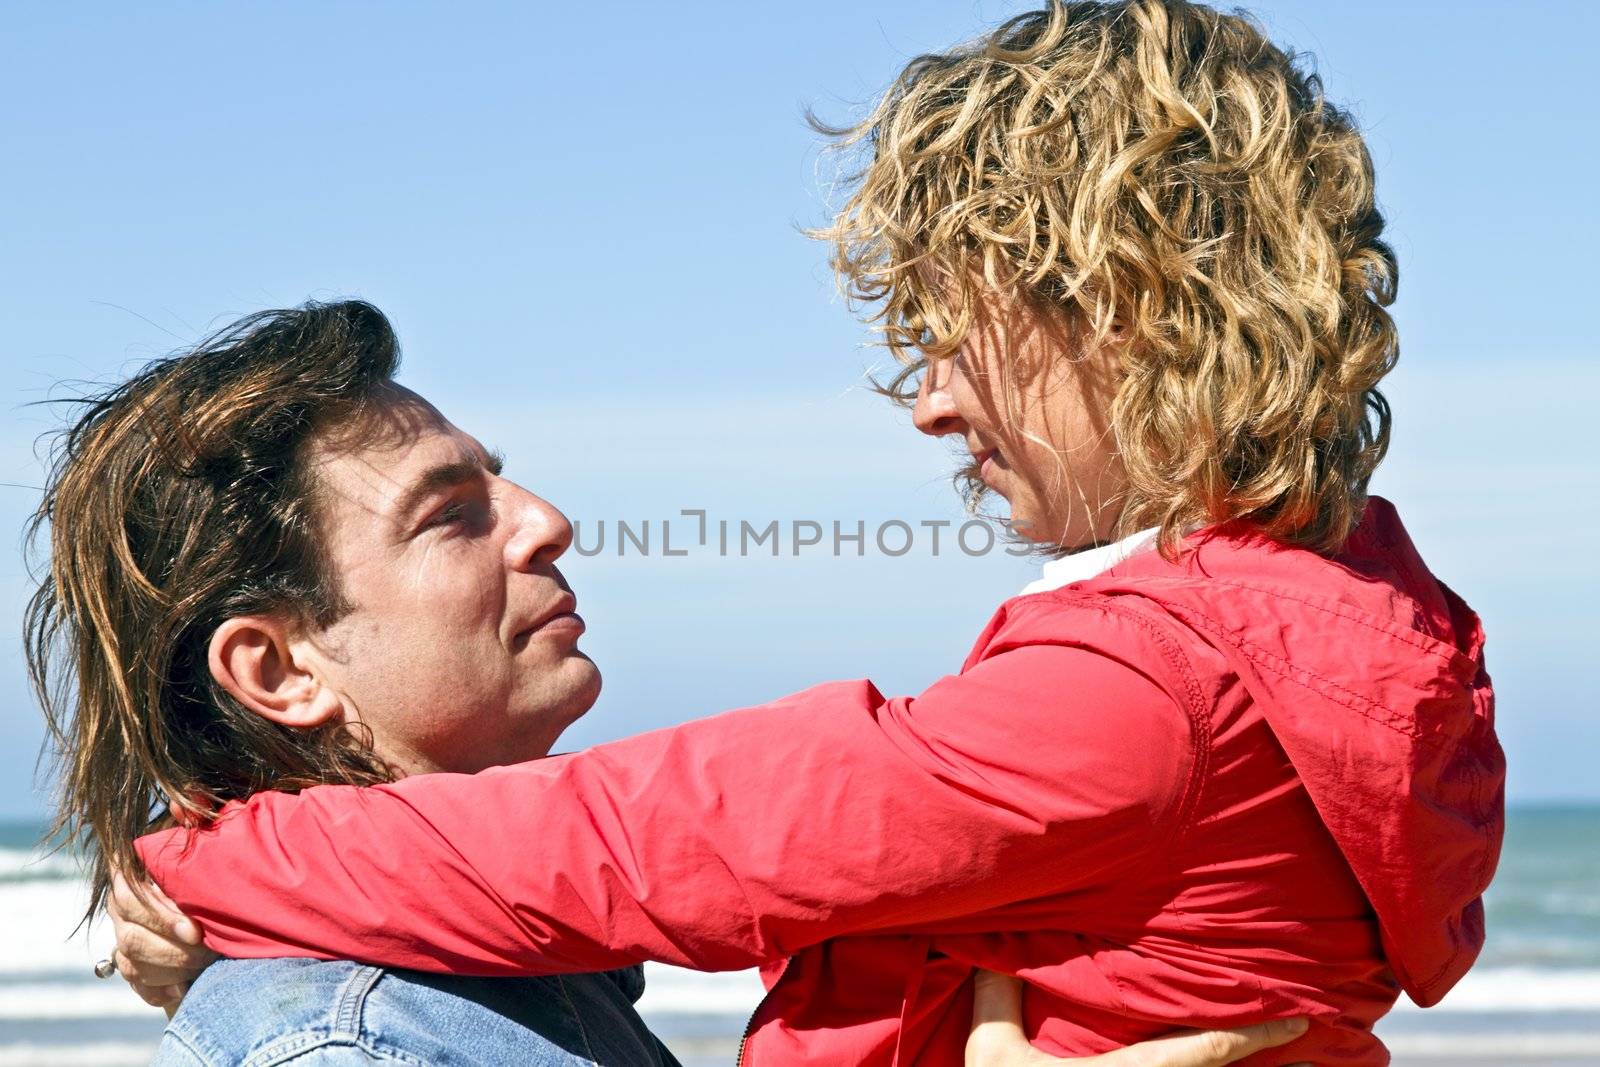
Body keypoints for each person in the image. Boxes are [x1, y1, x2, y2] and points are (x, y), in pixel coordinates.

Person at [117, 1, 1504, 1063]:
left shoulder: (1155, 691)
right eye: (452, 511)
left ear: (1122, 315)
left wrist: (207, 864)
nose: (933, 403)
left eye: (957, 336)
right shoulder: (1313, 636)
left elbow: (671, 836)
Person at [32, 300, 1297, 1067]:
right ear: (278, 666)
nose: (549, 521)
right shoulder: (350, 1039)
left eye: (502, 480)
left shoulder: (505, 976)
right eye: (451, 514)